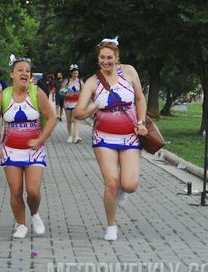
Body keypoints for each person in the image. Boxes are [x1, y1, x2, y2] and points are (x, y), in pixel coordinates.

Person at [74, 37, 147, 241]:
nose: (106, 61)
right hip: (104, 138)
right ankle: (111, 225)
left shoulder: (130, 72)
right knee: (111, 182)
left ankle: (124, 190)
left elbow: (140, 99)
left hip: (130, 137)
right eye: (102, 58)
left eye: (109, 57)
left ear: (117, 58)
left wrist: (141, 122)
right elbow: (78, 113)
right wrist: (94, 105)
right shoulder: (92, 82)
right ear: (98, 59)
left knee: (130, 184)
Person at [0, 54, 56, 239]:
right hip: (11, 151)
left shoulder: (36, 93)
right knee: (15, 190)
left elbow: (52, 118)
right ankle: (21, 224)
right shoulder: (2, 96)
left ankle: (34, 214)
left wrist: (41, 139)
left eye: (27, 71)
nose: (24, 73)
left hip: (34, 151)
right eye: (20, 70)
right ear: (12, 74)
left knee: (32, 191)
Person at [61, 64, 84, 143]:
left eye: (77, 73)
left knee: (76, 119)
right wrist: (67, 94)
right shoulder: (67, 81)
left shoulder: (80, 81)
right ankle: (70, 136)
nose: (76, 75)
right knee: (69, 120)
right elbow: (61, 91)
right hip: (67, 102)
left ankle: (77, 136)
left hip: (76, 103)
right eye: (74, 73)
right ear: (71, 73)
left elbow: (84, 92)